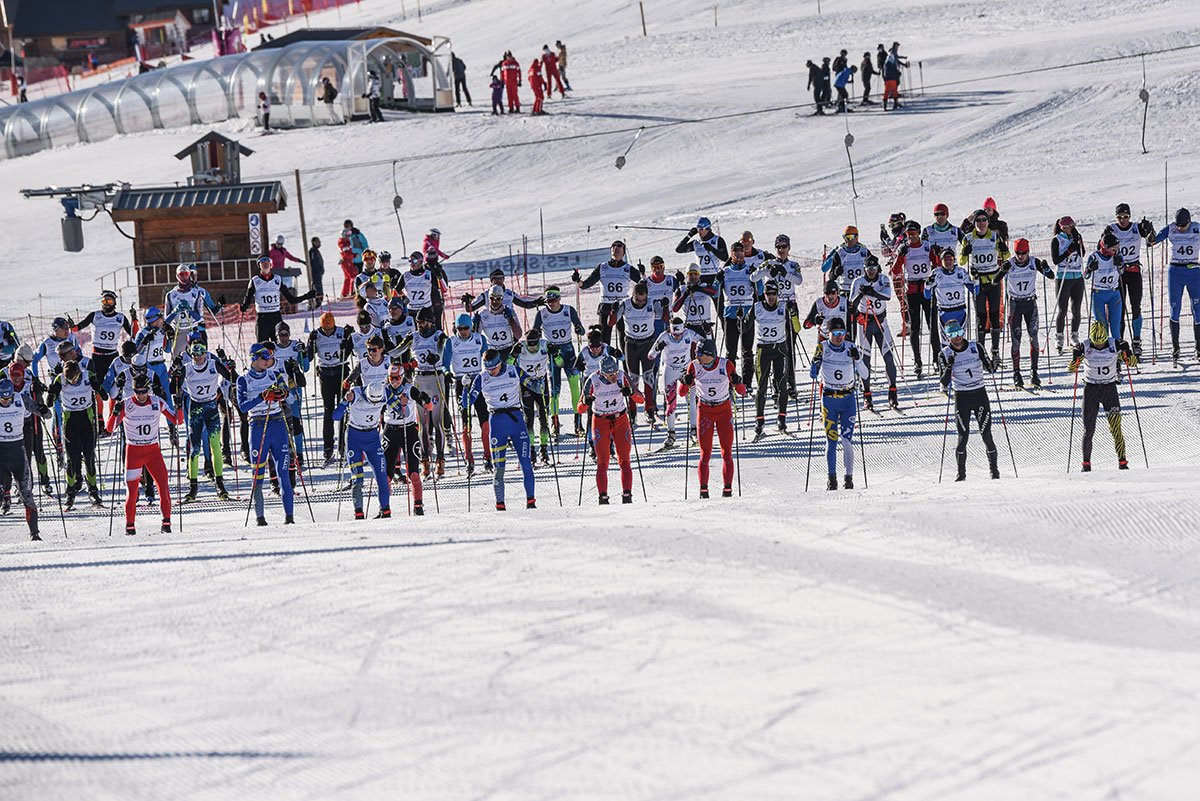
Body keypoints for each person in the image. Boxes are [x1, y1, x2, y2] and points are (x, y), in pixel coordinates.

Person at [460, 349, 536, 511]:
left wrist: (538, 380)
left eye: (493, 368)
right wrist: (465, 388)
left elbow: (536, 386)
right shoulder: (482, 377)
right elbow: (466, 403)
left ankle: (531, 501)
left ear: (500, 363)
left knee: (526, 463)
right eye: (488, 369)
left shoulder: (513, 370)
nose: (491, 372)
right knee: (499, 468)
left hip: (516, 420)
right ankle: (500, 503)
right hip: (496, 422)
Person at [108, 372, 178, 535]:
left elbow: (177, 420)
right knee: (132, 492)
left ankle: (166, 523)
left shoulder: (157, 402)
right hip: (133, 451)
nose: (140, 395)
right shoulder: (126, 404)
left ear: (149, 390)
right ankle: (130, 527)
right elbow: (110, 428)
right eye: (137, 391)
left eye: (143, 391)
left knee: (163, 487)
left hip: (153, 451)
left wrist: (179, 405)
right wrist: (114, 413)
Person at [679, 338, 745, 498]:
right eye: (696, 354)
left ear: (709, 354)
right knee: (705, 453)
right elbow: (681, 393)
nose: (697, 357)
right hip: (705, 411)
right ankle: (703, 491)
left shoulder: (726, 365)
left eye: (699, 354)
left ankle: (727, 489)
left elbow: (741, 392)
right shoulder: (694, 366)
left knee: (727, 453)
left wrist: (737, 382)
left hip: (723, 410)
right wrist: (685, 382)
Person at [237, 343, 295, 526]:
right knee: (258, 476)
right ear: (254, 358)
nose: (268, 360)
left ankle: (289, 518)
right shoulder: (243, 380)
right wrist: (262, 397)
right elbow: (243, 407)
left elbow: (286, 392)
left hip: (277, 423)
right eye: (264, 357)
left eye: (269, 357)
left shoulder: (274, 374)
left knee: (283, 473)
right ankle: (260, 518)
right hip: (258, 425)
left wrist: (280, 393)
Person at [809, 317, 868, 490]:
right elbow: (813, 375)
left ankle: (848, 478)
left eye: (841, 333)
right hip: (829, 400)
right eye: (835, 334)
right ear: (828, 334)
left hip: (848, 399)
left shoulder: (851, 347)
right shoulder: (823, 348)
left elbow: (864, 375)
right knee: (831, 440)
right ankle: (831, 478)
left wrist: (857, 359)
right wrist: (815, 366)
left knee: (847, 440)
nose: (839, 337)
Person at [172, 338, 234, 502]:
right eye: (194, 352)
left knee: (215, 447)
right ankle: (193, 488)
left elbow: (230, 377)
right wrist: (176, 372)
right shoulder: (188, 368)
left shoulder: (213, 365)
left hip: (211, 408)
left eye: (201, 352)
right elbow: (174, 387)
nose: (198, 356)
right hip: (196, 409)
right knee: (195, 449)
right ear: (190, 353)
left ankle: (220, 485)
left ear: (206, 352)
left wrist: (226, 361)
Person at [1068, 322, 1135, 471]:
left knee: (1116, 427)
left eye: (1101, 343)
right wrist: (1075, 357)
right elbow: (1071, 369)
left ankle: (1123, 462)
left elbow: (1132, 364)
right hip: (1091, 390)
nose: (1098, 346)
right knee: (1088, 429)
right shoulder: (1084, 346)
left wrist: (1127, 352)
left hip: (1109, 390)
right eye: (1095, 344)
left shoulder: (1114, 344)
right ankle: (1086, 465)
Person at [940, 320, 999, 481]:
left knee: (986, 434)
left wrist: (994, 364)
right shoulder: (944, 354)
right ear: (947, 337)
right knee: (962, 437)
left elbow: (989, 367)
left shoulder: (976, 346)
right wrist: (948, 367)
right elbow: (944, 382)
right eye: (952, 335)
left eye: (959, 333)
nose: (957, 338)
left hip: (979, 395)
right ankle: (961, 475)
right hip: (962, 397)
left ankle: (994, 472)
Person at [45, 360, 104, 510]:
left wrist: (98, 387)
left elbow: (104, 396)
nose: (73, 381)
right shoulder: (61, 379)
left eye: (75, 378)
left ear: (79, 372)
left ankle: (93, 491)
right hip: (70, 422)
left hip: (86, 420)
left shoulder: (87, 375)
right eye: (70, 379)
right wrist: (51, 393)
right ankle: (70, 492)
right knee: (72, 458)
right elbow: (49, 404)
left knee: (89, 456)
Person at [579, 354, 636, 504]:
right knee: (602, 462)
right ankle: (603, 497)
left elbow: (640, 398)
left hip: (620, 419)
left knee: (624, 460)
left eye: (615, 372)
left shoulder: (622, 376)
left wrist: (629, 392)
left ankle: (627, 495)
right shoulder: (592, 379)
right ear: (602, 373)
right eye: (611, 374)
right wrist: (586, 402)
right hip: (600, 421)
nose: (614, 376)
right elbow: (579, 409)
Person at [72, 290, 133, 429]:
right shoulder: (95, 315)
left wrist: (134, 319)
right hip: (97, 357)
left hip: (112, 356)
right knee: (98, 389)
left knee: (114, 388)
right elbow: (80, 326)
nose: (106, 304)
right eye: (104, 301)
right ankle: (99, 421)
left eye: (109, 301)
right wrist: (72, 327)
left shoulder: (120, 318)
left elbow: (134, 333)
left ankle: (113, 419)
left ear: (115, 303)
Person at [998, 238, 1055, 387]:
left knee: (1033, 337)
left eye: (1023, 253)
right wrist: (1002, 270)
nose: (1021, 256)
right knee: (1016, 340)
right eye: (1018, 253)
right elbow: (995, 281)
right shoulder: (1010, 263)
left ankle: (1034, 372)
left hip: (1030, 304)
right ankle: (1016, 373)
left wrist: (1046, 268)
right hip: (1015, 304)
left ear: (1028, 252)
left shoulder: (1033, 262)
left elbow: (1051, 276)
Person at [1147, 207, 1200, 362]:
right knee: (1174, 308)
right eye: (1178, 225)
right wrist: (1150, 235)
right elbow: (1152, 241)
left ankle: (1199, 347)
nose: (1180, 228)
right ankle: (1175, 347)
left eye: (1183, 225)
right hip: (1175, 272)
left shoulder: (1197, 228)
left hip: (1194, 271)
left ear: (1189, 222)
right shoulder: (1171, 228)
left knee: (1198, 309)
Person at [1103, 203, 1156, 356]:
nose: (1123, 220)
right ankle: (1119, 341)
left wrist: (1150, 230)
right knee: (1119, 309)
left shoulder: (1136, 228)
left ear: (1130, 216)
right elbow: (1103, 246)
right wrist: (1104, 238)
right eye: (1120, 217)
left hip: (1134, 272)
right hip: (1118, 273)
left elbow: (1151, 241)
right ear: (1116, 217)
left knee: (1136, 306)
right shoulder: (1111, 229)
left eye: (1126, 217)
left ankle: (1137, 340)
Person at [533, 285, 586, 437]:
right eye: (549, 301)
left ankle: (578, 425)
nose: (552, 303)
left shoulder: (568, 310)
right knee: (555, 390)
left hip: (568, 351)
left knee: (575, 387)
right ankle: (555, 424)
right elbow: (534, 333)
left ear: (559, 299)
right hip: (553, 353)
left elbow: (581, 329)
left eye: (554, 300)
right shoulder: (542, 314)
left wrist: (578, 329)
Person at [334, 381, 391, 520]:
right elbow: (335, 416)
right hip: (355, 438)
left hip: (373, 438)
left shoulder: (385, 392)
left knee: (382, 476)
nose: (373, 404)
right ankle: (358, 512)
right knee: (357, 477)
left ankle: (385, 511)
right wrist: (344, 402)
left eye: (376, 402)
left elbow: (401, 410)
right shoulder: (355, 394)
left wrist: (400, 404)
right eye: (371, 401)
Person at [960, 208, 1010, 363]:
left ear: (988, 222)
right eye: (978, 221)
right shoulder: (968, 238)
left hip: (994, 280)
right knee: (981, 317)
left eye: (984, 220)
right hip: (978, 282)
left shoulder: (995, 236)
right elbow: (961, 262)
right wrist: (964, 252)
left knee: (995, 315)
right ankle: (980, 351)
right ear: (974, 223)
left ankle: (995, 351)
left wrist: (1004, 249)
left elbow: (1006, 256)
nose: (981, 223)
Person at [849, 257, 899, 410]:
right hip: (865, 324)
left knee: (889, 357)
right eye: (868, 268)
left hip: (881, 323)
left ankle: (892, 393)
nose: (871, 271)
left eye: (874, 268)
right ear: (864, 268)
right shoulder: (857, 282)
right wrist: (861, 294)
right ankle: (867, 395)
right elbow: (852, 305)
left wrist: (872, 292)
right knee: (865, 361)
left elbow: (888, 296)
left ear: (878, 267)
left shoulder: (883, 279)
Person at [444, 312, 491, 475]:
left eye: (465, 328)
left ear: (471, 327)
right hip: (461, 383)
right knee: (466, 423)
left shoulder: (480, 339)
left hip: (478, 380)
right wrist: (447, 373)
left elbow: (487, 358)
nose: (462, 331)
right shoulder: (452, 342)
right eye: (459, 328)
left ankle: (487, 457)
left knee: (484, 421)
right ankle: (469, 459)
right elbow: (445, 363)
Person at [572, 240, 640, 346]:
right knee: (604, 339)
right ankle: (605, 361)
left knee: (624, 339)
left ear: (623, 252)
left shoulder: (627, 268)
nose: (616, 248)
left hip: (623, 307)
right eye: (613, 246)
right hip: (606, 306)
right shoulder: (602, 267)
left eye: (619, 246)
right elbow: (585, 285)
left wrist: (643, 274)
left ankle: (626, 362)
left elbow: (643, 283)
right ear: (610, 250)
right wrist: (578, 281)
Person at [307, 312, 353, 466]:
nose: (328, 332)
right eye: (325, 329)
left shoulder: (341, 332)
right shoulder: (316, 335)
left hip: (341, 373)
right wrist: (310, 343)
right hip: (325, 374)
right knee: (328, 410)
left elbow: (348, 354)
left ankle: (343, 446)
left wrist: (348, 338)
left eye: (330, 329)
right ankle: (328, 448)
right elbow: (309, 357)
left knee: (344, 408)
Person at [0, 377, 42, 540]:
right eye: (2, 398)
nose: (5, 401)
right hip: (1, 452)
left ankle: (35, 534)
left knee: (26, 494)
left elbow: (43, 412)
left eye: (7, 398)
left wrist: (42, 408)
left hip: (18, 451)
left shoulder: (21, 399)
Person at [382, 364, 428, 514]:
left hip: (409, 430)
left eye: (397, 378)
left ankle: (418, 506)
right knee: (387, 474)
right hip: (391, 431)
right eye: (391, 378)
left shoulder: (409, 389)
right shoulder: (385, 390)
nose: (394, 381)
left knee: (413, 472)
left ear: (402, 377)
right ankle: (385, 508)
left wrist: (425, 400)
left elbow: (429, 407)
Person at [893, 221, 936, 377]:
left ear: (919, 232)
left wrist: (936, 253)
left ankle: (937, 359)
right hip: (911, 291)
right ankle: (918, 362)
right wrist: (901, 255)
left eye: (913, 233)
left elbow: (937, 264)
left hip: (927, 289)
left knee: (932, 325)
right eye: (908, 234)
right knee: (915, 328)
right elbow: (895, 271)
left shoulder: (926, 246)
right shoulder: (904, 248)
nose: (911, 237)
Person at [240, 255, 315, 343]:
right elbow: (248, 298)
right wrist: (244, 306)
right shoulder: (255, 281)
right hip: (262, 318)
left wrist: (307, 296)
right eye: (262, 262)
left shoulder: (277, 279)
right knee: (262, 348)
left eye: (267, 262)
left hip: (276, 317)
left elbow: (291, 300)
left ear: (271, 265)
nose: (265, 264)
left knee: (279, 347)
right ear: (259, 265)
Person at [614, 282, 659, 426]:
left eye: (643, 300)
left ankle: (649, 409)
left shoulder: (652, 303)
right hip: (631, 344)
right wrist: (613, 311)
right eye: (637, 300)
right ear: (632, 296)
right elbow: (611, 322)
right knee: (632, 378)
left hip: (648, 343)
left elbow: (663, 317)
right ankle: (632, 411)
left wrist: (663, 306)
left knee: (648, 376)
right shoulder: (626, 304)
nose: (640, 303)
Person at [651, 318, 699, 449]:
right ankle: (671, 434)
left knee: (693, 401)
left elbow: (704, 342)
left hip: (686, 370)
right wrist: (657, 348)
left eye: (679, 334)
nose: (677, 337)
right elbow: (650, 355)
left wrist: (706, 331)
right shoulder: (664, 336)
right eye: (675, 335)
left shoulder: (689, 333)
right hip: (670, 370)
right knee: (671, 403)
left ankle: (694, 430)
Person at [752, 280, 790, 437]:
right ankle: (759, 421)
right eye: (768, 294)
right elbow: (745, 327)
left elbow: (795, 327)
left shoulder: (783, 307)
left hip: (780, 349)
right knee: (761, 386)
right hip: (763, 349)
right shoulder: (757, 308)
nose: (771, 297)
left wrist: (794, 313)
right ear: (764, 295)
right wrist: (742, 319)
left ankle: (782, 418)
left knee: (782, 384)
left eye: (774, 294)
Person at [718, 242, 756, 384]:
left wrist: (755, 279)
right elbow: (716, 292)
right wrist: (718, 279)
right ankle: (731, 381)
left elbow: (760, 289)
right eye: (736, 251)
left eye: (741, 251)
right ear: (731, 253)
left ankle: (747, 383)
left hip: (747, 314)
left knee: (747, 351)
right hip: (730, 315)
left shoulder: (750, 270)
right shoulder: (726, 271)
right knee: (731, 352)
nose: (739, 254)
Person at [163, 264, 223, 354]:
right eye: (191, 274)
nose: (193, 277)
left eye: (195, 274)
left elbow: (212, 310)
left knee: (200, 355)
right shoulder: (172, 294)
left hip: (198, 328)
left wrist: (219, 305)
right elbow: (166, 320)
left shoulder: (200, 291)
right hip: (179, 329)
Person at [515, 329, 553, 465]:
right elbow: (509, 363)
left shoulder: (544, 344)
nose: (532, 347)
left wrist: (556, 352)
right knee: (529, 418)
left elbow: (559, 363)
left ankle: (544, 449)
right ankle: (531, 450)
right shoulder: (521, 345)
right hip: (527, 384)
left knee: (544, 417)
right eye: (529, 344)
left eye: (534, 344)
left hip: (542, 382)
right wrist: (514, 354)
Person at [925, 247, 974, 348]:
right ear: (941, 260)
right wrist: (927, 285)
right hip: (945, 312)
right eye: (945, 259)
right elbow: (927, 296)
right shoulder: (936, 273)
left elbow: (975, 291)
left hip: (960, 311)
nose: (948, 262)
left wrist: (976, 279)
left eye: (950, 259)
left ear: (954, 259)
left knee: (961, 342)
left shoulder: (961, 272)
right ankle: (947, 362)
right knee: (947, 343)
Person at [1051, 215, 1086, 353]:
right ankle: (1059, 337)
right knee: (1062, 309)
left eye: (1073, 226)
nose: (1072, 229)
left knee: (1076, 309)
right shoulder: (1057, 240)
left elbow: (1082, 254)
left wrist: (1078, 243)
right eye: (1069, 227)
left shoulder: (1077, 236)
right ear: (1063, 228)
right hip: (1063, 277)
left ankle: (1074, 335)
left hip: (1077, 276)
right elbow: (1056, 260)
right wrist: (1069, 251)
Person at [1086, 231, 1126, 348]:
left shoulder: (1117, 256)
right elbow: (1086, 276)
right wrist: (1090, 268)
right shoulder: (1094, 257)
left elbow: (1122, 272)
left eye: (1117, 249)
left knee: (1115, 326)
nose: (1116, 251)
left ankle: (1117, 353)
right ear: (1106, 248)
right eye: (1114, 249)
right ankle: (1104, 352)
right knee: (1102, 327)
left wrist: (1121, 265)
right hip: (1098, 294)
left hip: (1114, 293)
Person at [822, 225, 875, 302]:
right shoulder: (839, 253)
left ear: (856, 237)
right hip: (845, 291)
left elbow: (876, 269)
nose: (847, 240)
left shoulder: (865, 252)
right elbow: (831, 276)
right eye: (845, 237)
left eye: (850, 237)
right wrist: (836, 272)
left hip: (861, 291)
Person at [474, 285, 522, 361]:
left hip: (509, 349)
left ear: (502, 298)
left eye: (498, 298)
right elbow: (476, 338)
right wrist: (475, 325)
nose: (494, 301)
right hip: (492, 351)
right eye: (492, 298)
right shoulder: (482, 314)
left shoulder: (509, 312)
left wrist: (510, 319)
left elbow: (518, 335)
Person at [673, 264, 718, 338]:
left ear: (699, 275)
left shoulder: (705, 286)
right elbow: (674, 309)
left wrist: (699, 289)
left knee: (709, 348)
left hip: (705, 327)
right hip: (690, 328)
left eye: (696, 274)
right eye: (690, 274)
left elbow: (715, 293)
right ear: (687, 275)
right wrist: (685, 294)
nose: (693, 276)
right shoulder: (681, 289)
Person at [308, 236, 325, 303]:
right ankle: (318, 301)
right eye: (318, 242)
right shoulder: (312, 251)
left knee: (319, 287)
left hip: (318, 273)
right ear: (314, 242)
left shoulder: (316, 251)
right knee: (317, 288)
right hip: (316, 273)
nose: (320, 243)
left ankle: (319, 300)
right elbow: (313, 262)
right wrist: (317, 270)